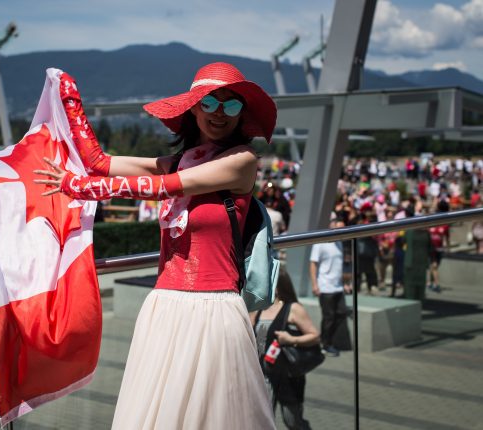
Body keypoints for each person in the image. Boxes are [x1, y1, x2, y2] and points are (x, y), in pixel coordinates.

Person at [34, 63, 278, 429]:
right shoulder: (179, 162)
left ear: (242, 113)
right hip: (164, 307)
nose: (219, 113)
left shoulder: (242, 161)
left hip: (214, 311)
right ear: (193, 109)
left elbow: (164, 188)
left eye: (231, 105)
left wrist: (79, 186)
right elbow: (98, 162)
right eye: (209, 103)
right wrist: (70, 99)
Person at [253, 269, 319, 429]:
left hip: (286, 375)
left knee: (292, 420)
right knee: (262, 421)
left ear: (278, 285)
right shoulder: (260, 307)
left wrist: (291, 339)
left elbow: (315, 336)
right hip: (263, 374)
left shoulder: (293, 308)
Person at [309, 218, 352, 357]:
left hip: (338, 287)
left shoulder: (340, 243)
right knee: (329, 318)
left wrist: (345, 283)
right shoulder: (320, 243)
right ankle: (325, 345)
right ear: (331, 227)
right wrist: (315, 284)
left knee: (341, 314)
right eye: (339, 228)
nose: (342, 231)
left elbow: (339, 267)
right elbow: (313, 264)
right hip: (325, 287)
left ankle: (329, 341)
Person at [427, 199, 450, 292]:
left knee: (434, 266)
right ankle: (436, 284)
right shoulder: (433, 218)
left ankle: (429, 282)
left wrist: (447, 247)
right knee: (434, 265)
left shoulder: (445, 223)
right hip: (431, 247)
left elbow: (447, 236)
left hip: (439, 248)